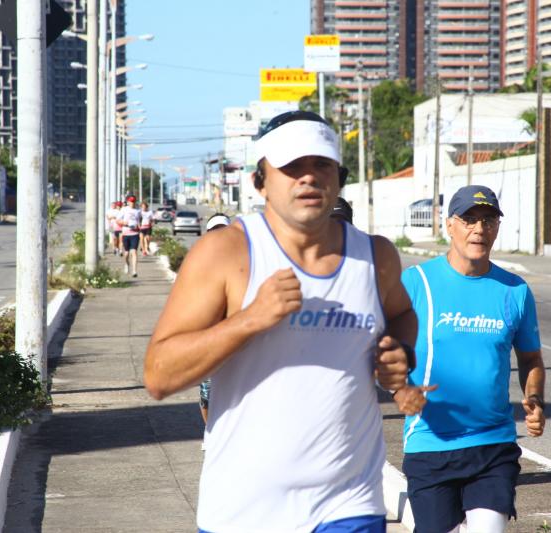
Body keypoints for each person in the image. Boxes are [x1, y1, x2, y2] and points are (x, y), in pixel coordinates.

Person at [144, 110, 429, 532]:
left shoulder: (375, 256)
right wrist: (249, 320)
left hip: (349, 504)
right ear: (260, 182)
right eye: (292, 166)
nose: (308, 177)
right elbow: (159, 375)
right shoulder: (226, 253)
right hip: (243, 510)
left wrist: (398, 352)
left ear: (338, 178)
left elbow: (403, 314)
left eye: (321, 164)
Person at [395, 184, 546, 533]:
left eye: (488, 220)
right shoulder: (416, 283)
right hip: (430, 443)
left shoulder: (515, 290)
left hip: (493, 445)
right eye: (469, 220)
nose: (479, 229)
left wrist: (535, 399)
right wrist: (399, 389)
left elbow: (531, 358)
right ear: (450, 225)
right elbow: (385, 348)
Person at [198, 212, 231, 429]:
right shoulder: (198, 265)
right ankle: (210, 433)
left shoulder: (245, 261)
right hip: (208, 339)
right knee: (207, 394)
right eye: (215, 232)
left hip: (235, 338)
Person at [118, 195, 141, 277]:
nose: (132, 203)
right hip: (126, 233)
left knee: (134, 252)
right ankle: (127, 264)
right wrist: (124, 223)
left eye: (133, 201)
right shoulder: (124, 209)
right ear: (128, 202)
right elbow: (118, 220)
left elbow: (138, 221)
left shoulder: (138, 210)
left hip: (135, 234)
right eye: (131, 202)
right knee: (127, 253)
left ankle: (134, 271)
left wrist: (139, 227)